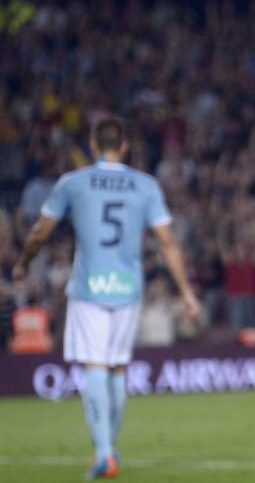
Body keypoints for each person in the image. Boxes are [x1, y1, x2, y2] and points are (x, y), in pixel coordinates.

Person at [13, 117, 201, 480]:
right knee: (116, 367)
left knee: (95, 367)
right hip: (128, 288)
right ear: (125, 147)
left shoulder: (73, 183)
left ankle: (103, 452)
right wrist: (188, 293)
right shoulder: (145, 185)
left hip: (88, 289)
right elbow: (167, 242)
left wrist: (24, 261)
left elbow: (40, 231)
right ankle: (109, 449)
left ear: (93, 145)